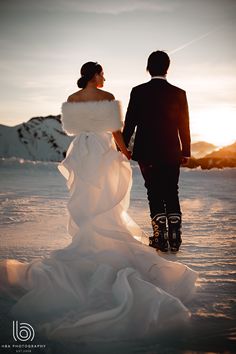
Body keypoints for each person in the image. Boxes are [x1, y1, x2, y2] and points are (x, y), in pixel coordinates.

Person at [0, 61, 197, 343]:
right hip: (103, 148)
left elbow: (70, 129)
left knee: (87, 194)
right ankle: (125, 233)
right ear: (94, 75)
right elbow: (116, 131)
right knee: (108, 194)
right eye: (102, 73)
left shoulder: (71, 99)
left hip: (82, 150)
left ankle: (88, 236)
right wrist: (124, 151)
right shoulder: (106, 98)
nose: (105, 77)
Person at [123, 51, 191, 253]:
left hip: (147, 151)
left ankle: (160, 237)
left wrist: (123, 147)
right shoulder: (179, 93)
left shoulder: (138, 91)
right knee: (171, 190)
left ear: (148, 67)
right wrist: (185, 150)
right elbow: (184, 125)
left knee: (153, 190)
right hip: (172, 151)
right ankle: (175, 236)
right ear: (167, 68)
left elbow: (130, 123)